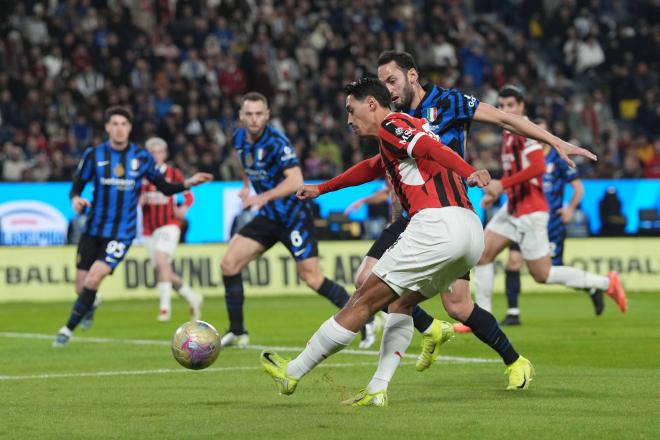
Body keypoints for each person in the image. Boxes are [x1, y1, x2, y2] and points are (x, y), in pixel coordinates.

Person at [260, 78, 533, 407]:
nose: (348, 119)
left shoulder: (393, 124)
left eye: (351, 110)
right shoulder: (404, 131)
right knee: (403, 304)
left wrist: (468, 170)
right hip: (470, 231)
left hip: (436, 224)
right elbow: (372, 167)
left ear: (372, 104)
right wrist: (323, 188)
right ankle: (378, 389)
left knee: (361, 301)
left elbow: (431, 149)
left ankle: (293, 372)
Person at [354, 50, 598, 370]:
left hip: (449, 212)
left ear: (412, 75)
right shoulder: (393, 119)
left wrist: (555, 142)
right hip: (412, 215)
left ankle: (514, 361)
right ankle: (425, 333)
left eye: (392, 80)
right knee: (366, 279)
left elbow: (504, 118)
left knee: (457, 305)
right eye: (383, 83)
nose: (389, 89)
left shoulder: (450, 102)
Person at [219, 92, 376, 349]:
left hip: (293, 216)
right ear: (241, 116)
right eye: (249, 114)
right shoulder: (238, 138)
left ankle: (365, 318)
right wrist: (247, 187)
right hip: (270, 215)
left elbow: (295, 180)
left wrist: (262, 197)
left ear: (267, 115)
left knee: (312, 278)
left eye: (259, 114)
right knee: (229, 264)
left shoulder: (277, 143)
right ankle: (237, 332)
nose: (255, 119)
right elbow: (244, 162)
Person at [53, 106, 212, 347]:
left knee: (93, 279)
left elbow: (164, 187)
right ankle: (91, 302)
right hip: (93, 230)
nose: (119, 128)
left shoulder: (141, 157)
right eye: (114, 123)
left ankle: (66, 330)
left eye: (123, 124)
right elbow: (76, 186)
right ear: (107, 127)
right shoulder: (94, 155)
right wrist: (75, 199)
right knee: (82, 287)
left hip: (122, 233)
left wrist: (188, 183)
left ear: (129, 128)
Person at [473, 86, 627, 325]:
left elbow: (538, 167)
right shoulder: (507, 130)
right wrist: (497, 194)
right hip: (513, 207)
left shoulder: (524, 129)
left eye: (510, 105)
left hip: (531, 211)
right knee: (482, 254)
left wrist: (502, 185)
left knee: (543, 274)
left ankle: (606, 283)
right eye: (501, 106)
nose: (505, 110)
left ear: (522, 106)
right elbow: (517, 170)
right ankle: (482, 320)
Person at [500, 119, 598, 325]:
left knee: (549, 271)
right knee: (513, 262)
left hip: (550, 222)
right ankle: (513, 312)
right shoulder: (524, 156)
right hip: (524, 216)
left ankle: (592, 286)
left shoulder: (558, 157)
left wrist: (570, 208)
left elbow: (578, 188)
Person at [141, 137, 203, 322]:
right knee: (162, 269)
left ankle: (164, 309)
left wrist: (183, 208)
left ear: (165, 154)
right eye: (152, 152)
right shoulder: (142, 175)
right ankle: (192, 297)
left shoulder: (173, 174)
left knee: (161, 259)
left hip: (169, 224)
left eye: (159, 152)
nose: (156, 156)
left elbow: (189, 196)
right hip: (148, 229)